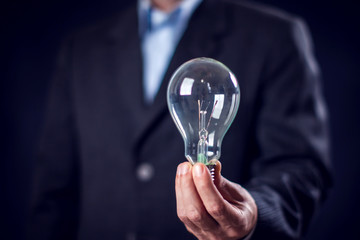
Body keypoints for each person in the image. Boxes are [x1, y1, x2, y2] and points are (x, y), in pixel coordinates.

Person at [28, 0, 332, 239]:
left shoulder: (273, 36)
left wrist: (253, 213)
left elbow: (299, 166)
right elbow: (55, 189)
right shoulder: (82, 48)